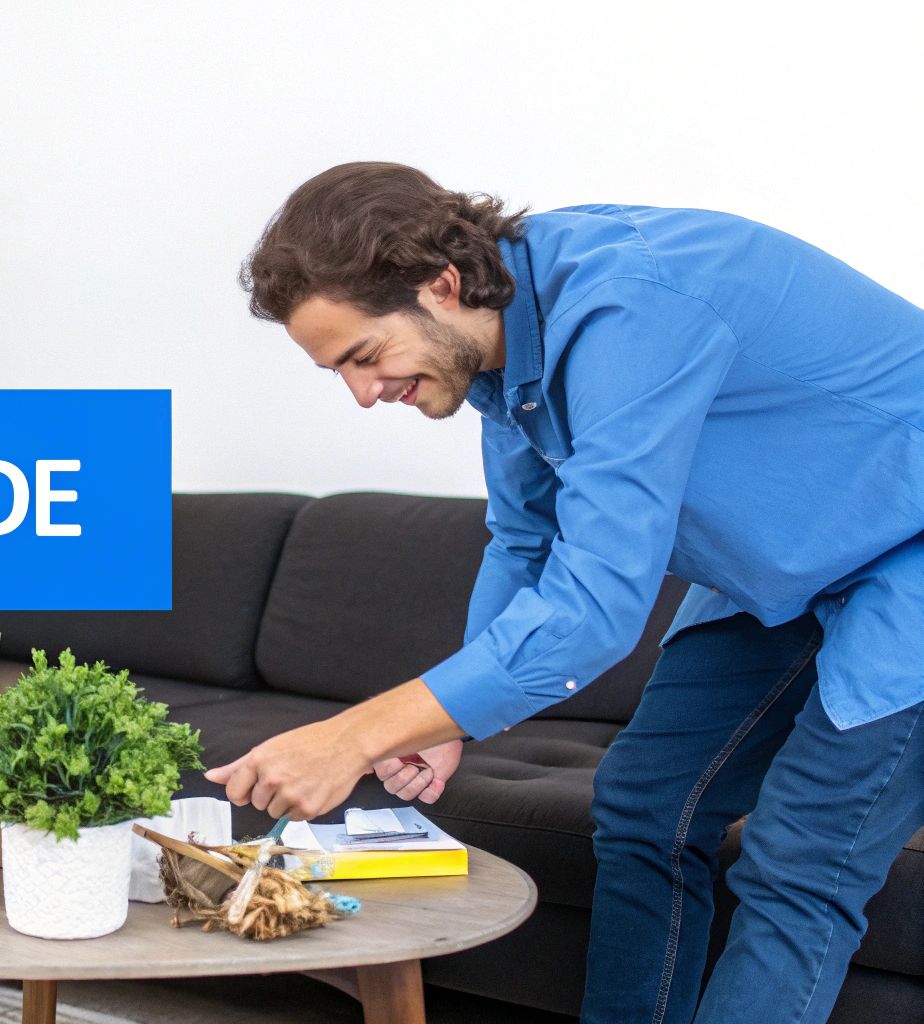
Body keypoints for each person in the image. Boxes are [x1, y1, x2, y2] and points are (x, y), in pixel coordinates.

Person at [209, 161, 924, 1024]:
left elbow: (594, 609)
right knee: (641, 810)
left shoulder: (630, 306)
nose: (365, 394)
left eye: (366, 356)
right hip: (792, 560)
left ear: (441, 284)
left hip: (906, 549)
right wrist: (451, 722)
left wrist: (355, 737)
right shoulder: (503, 339)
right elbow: (524, 540)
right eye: (341, 374)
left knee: (799, 860)